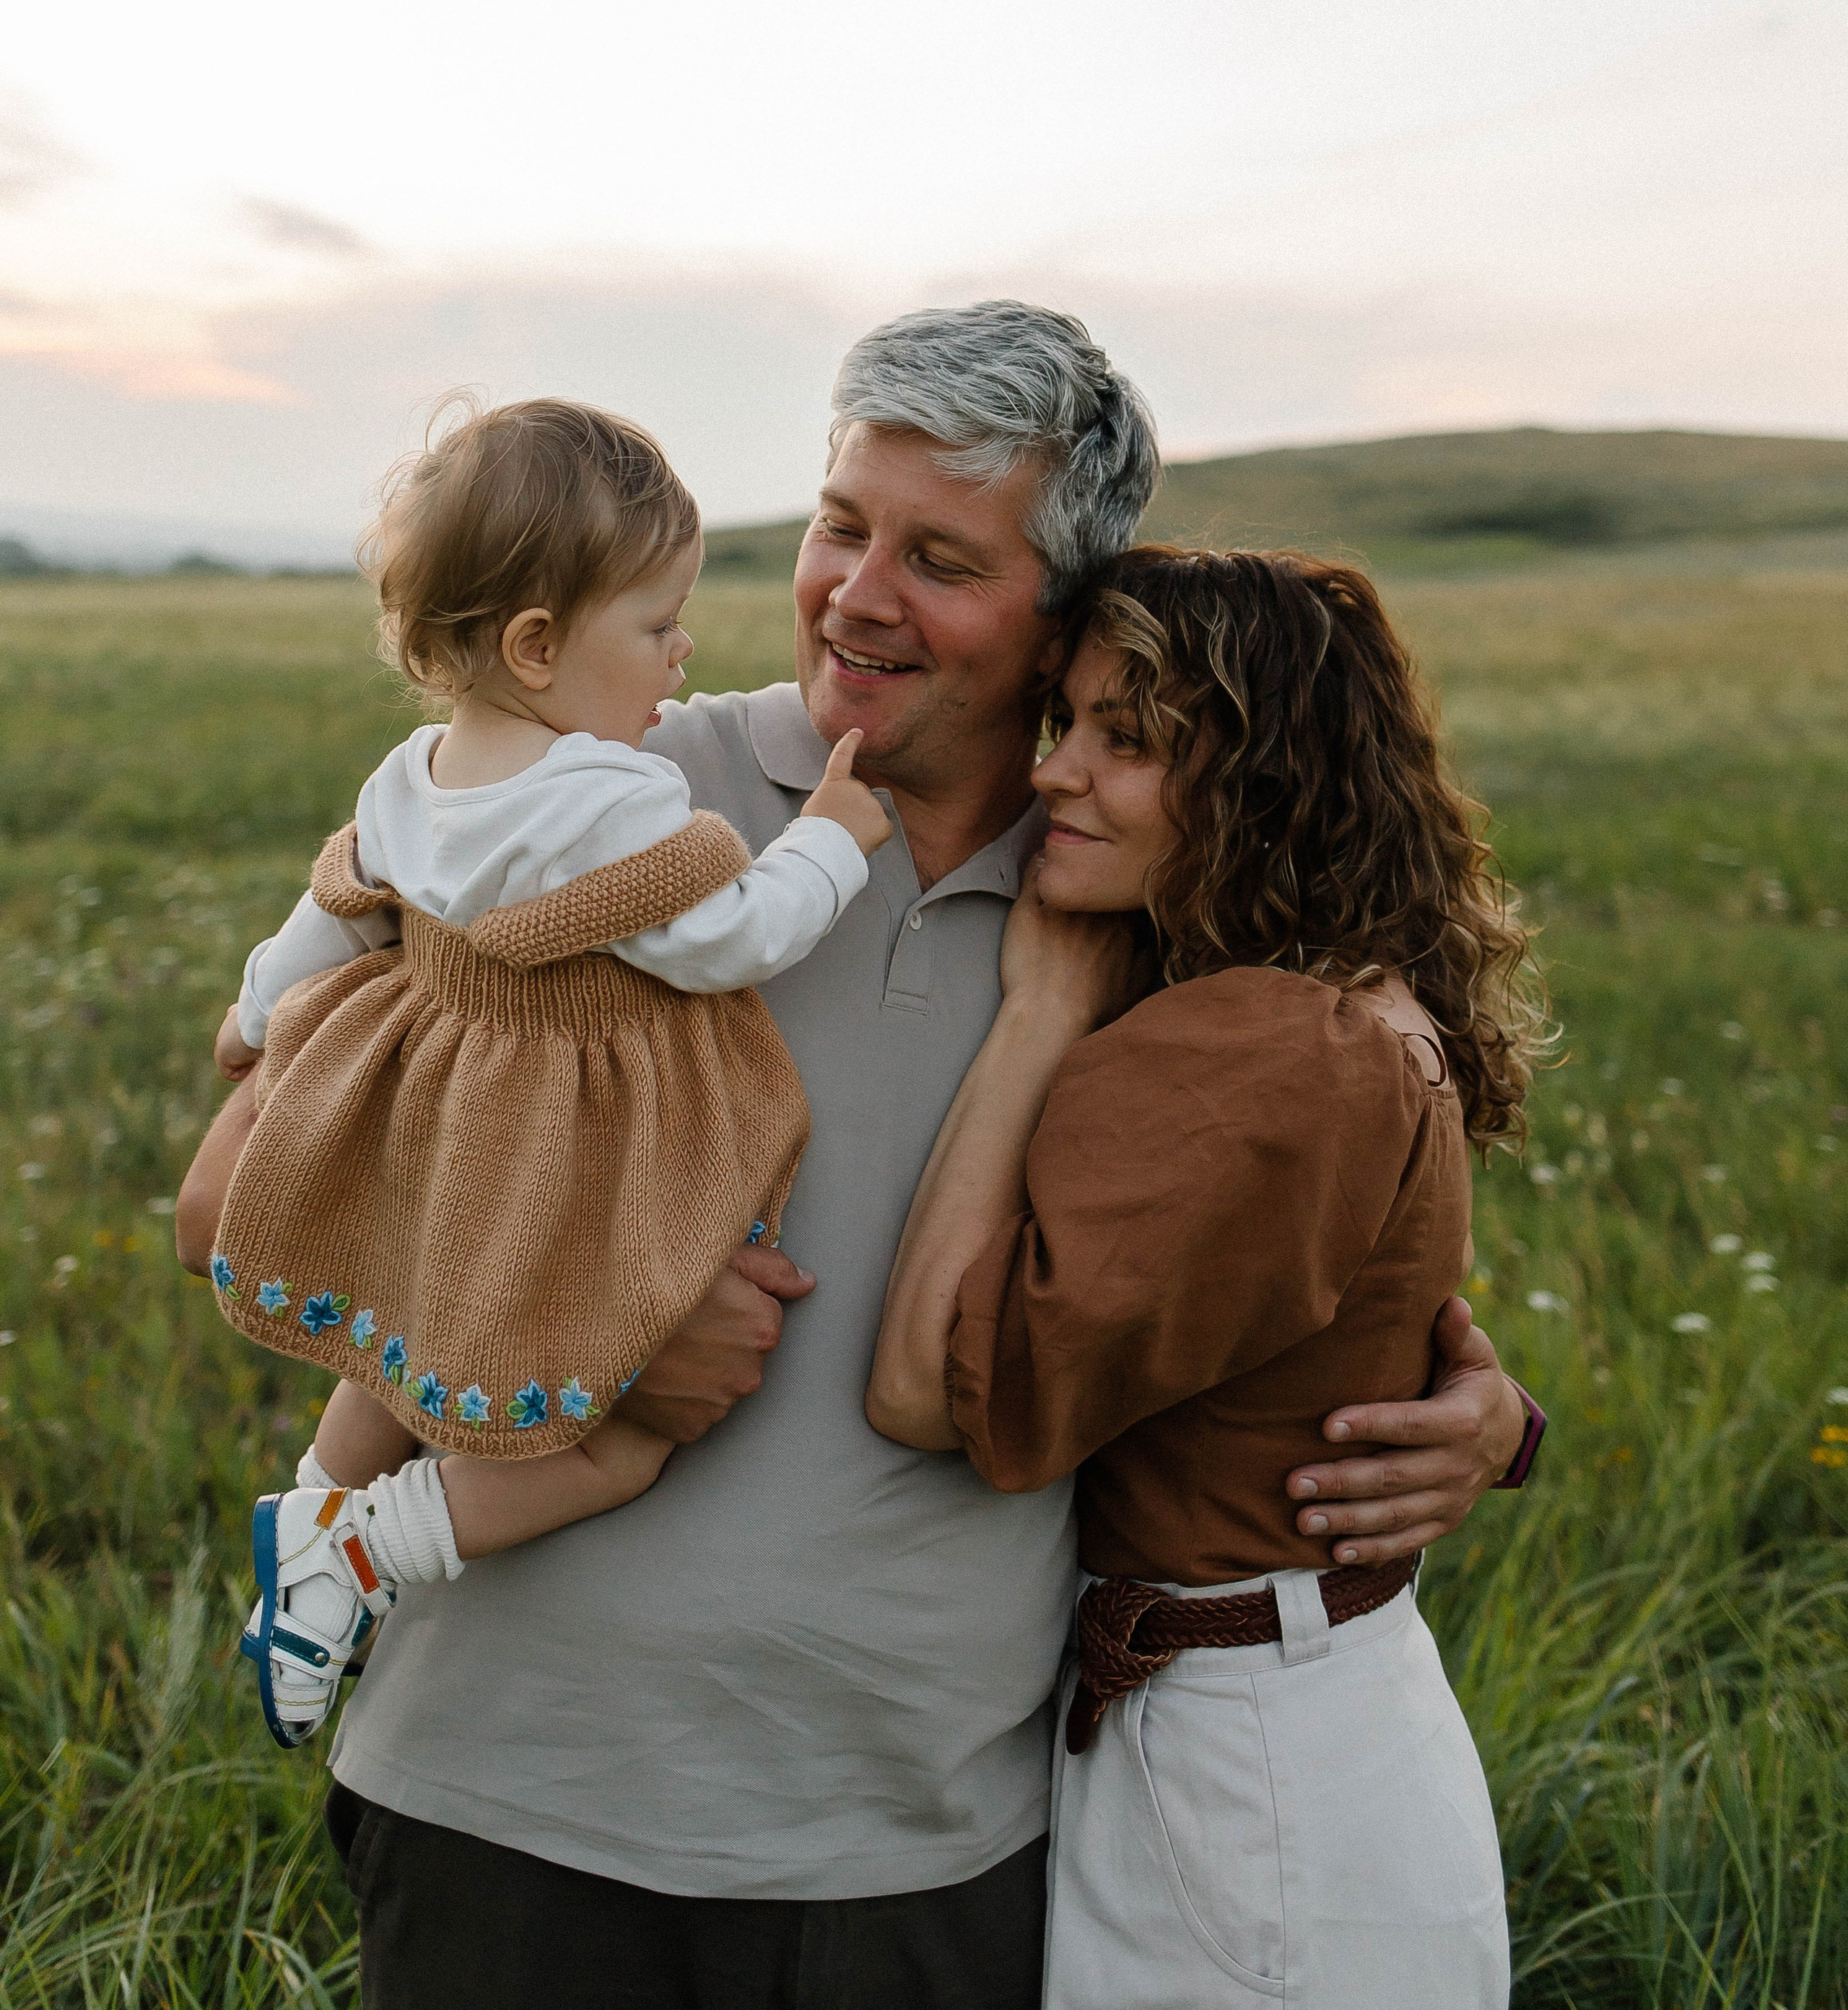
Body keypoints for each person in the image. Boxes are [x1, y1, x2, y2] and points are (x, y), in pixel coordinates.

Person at [178, 303, 1536, 2010]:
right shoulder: (590, 788)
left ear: (1065, 613)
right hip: (508, 1796)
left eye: (939, 559)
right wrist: (593, 1305)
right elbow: (237, 1196)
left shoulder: (1141, 890)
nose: (856, 595)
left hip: (923, 1849)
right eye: (840, 526)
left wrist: (1481, 1415)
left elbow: (1286, 1241)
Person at [868, 544, 1546, 2006]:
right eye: (1066, 723)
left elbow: (927, 1387)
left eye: (1130, 742)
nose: (1055, 773)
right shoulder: (1339, 1003)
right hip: (1302, 1727)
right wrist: (1499, 1419)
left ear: (1265, 786)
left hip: (1243, 1774)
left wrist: (1040, 1013)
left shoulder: (1267, 1051)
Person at [178, 396, 890, 1746]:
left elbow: (335, 908)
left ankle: (313, 1526)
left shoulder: (413, 774)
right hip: (553, 1143)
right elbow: (732, 938)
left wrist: (256, 1016)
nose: (684, 650)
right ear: (538, 646)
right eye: (658, 624)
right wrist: (832, 840)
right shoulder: (608, 800)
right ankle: (374, 1547)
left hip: (435, 1125)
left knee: (399, 1342)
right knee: (623, 1441)